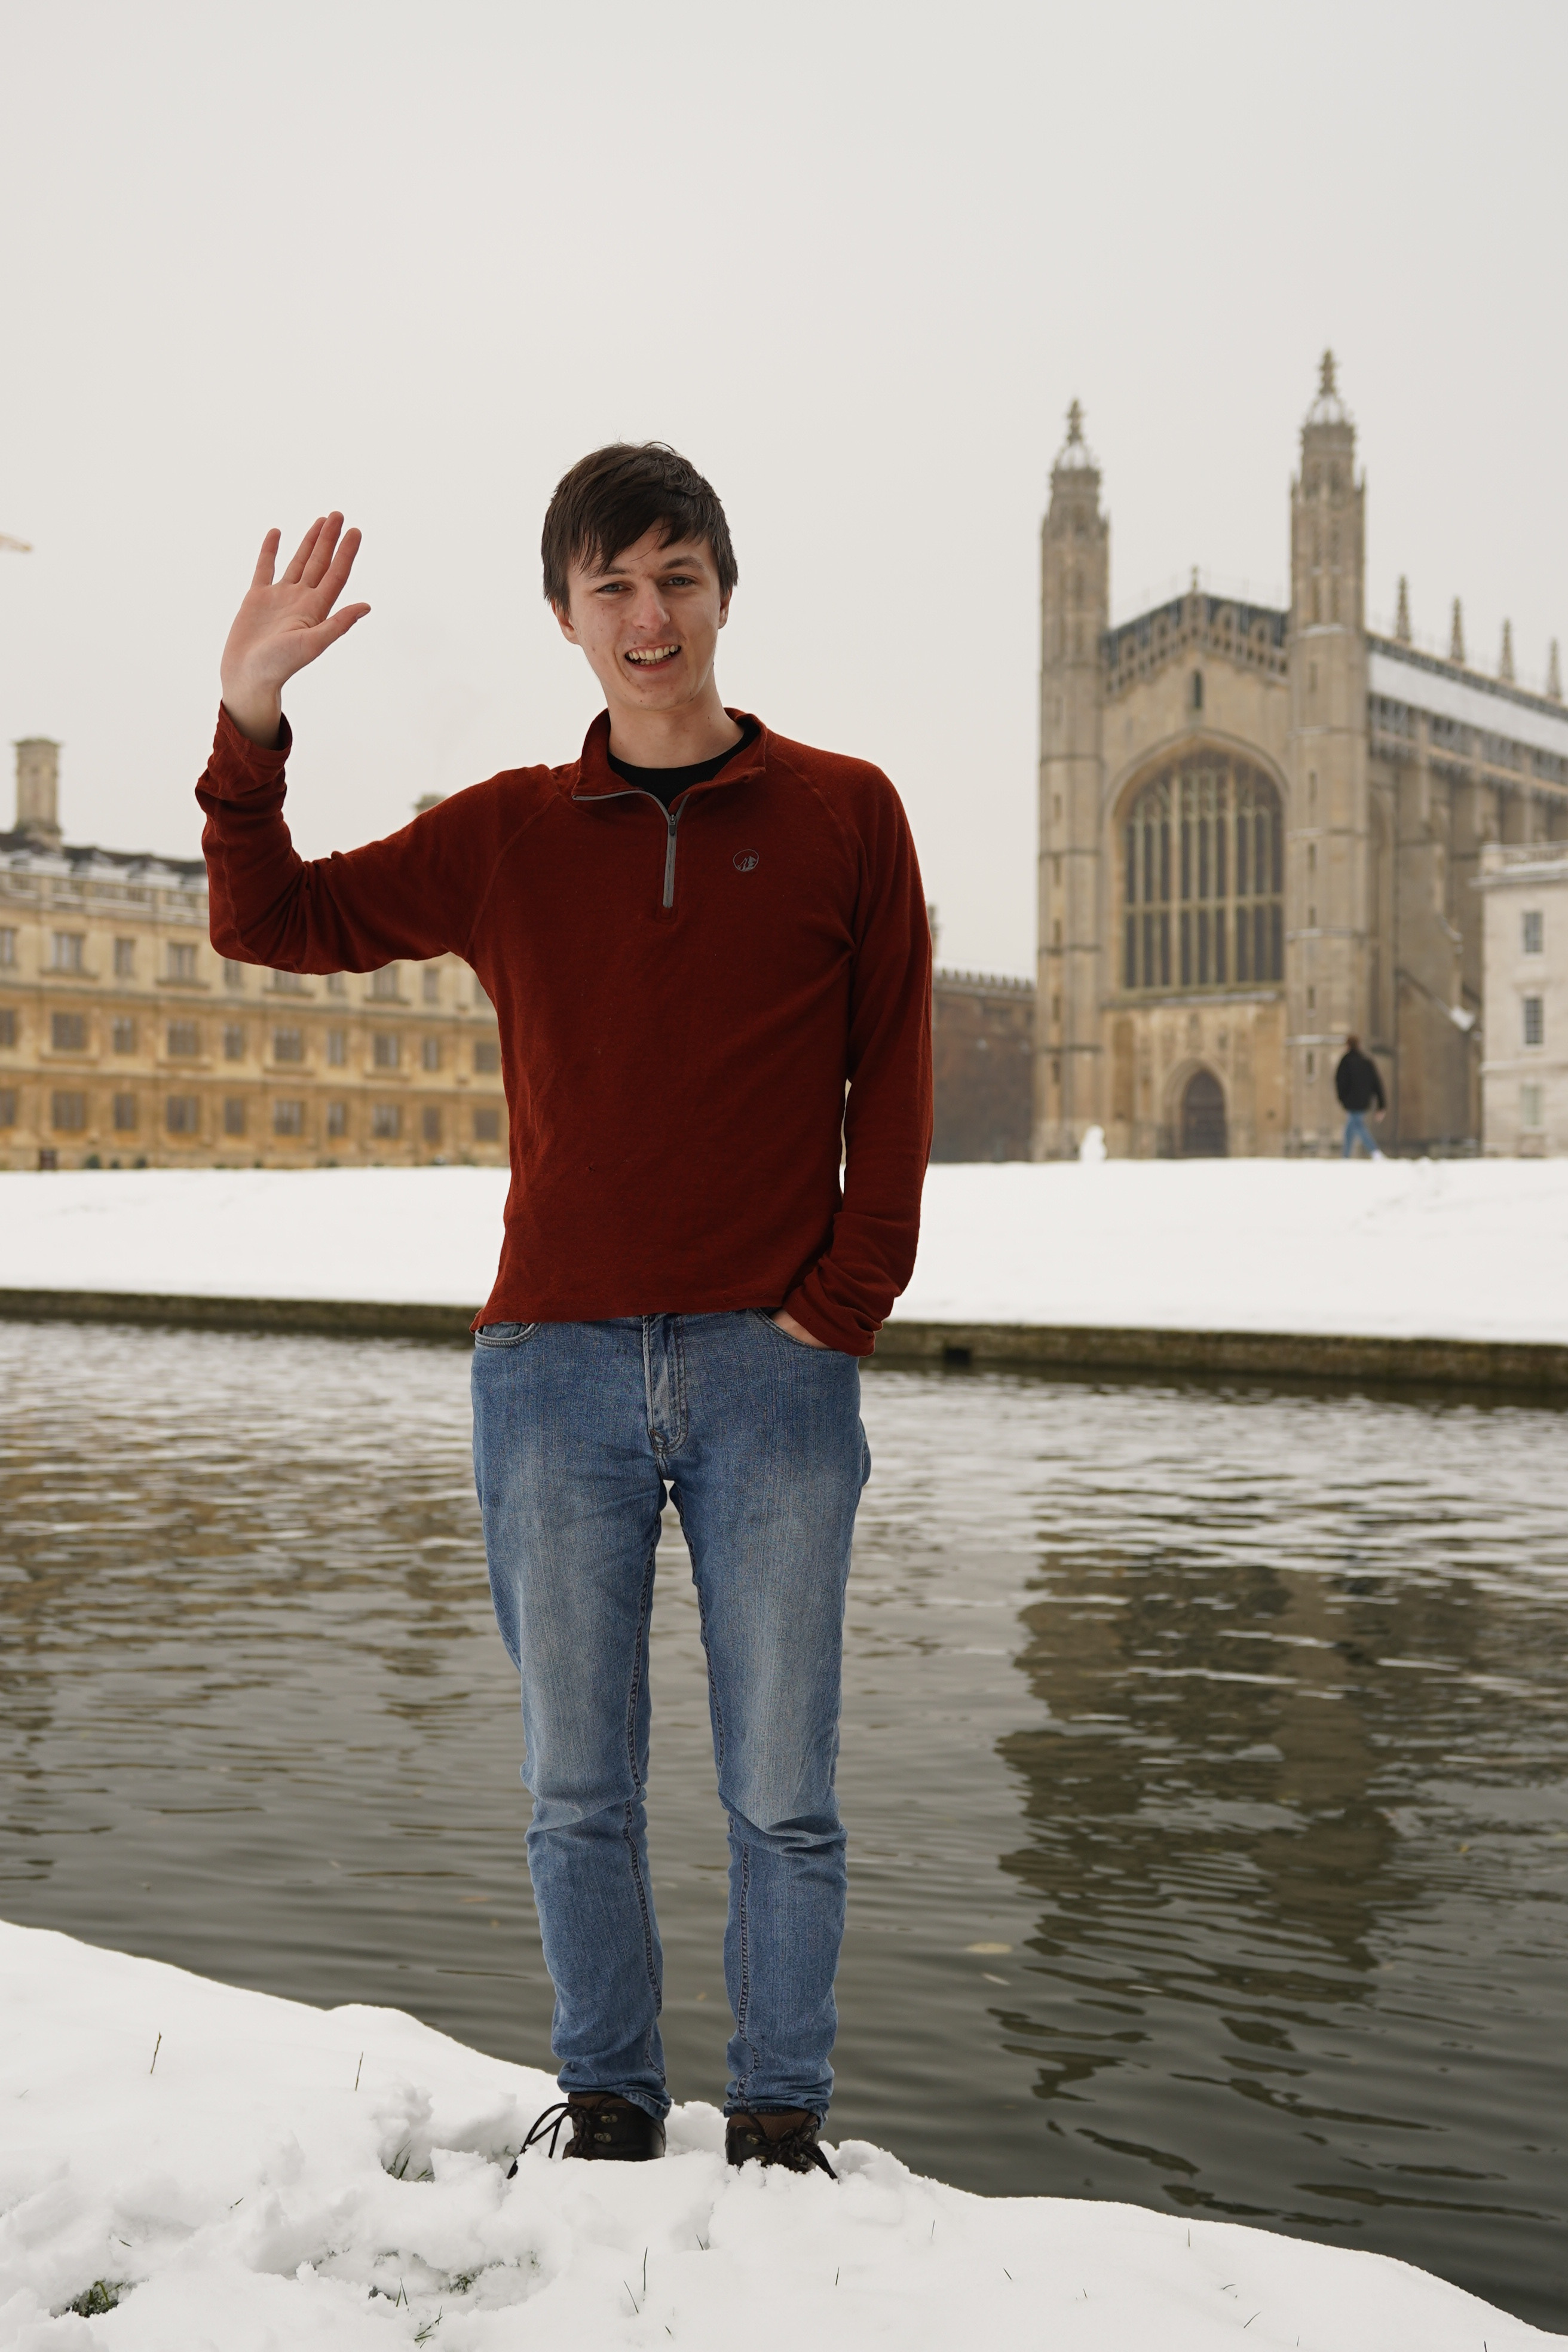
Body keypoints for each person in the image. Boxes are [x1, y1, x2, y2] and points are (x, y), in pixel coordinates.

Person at [197, 444, 932, 2178]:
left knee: (784, 1793)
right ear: (565, 618)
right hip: (553, 1368)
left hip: (776, 1366)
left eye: (676, 578)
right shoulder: (510, 833)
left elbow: (888, 1068)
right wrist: (249, 718)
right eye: (612, 587)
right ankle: (607, 2106)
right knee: (576, 1790)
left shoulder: (846, 810)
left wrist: (849, 1300)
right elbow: (264, 918)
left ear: (723, 594)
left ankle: (778, 2123)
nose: (648, 616)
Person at [1334, 1033, 1386, 1159]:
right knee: (1351, 1127)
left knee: (1357, 1126)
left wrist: (1342, 1098)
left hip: (1351, 1101)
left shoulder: (1346, 1061)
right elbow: (1377, 1084)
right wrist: (1381, 1105)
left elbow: (1339, 1081)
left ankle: (1374, 1151)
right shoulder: (1366, 1062)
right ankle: (1346, 1156)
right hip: (1363, 1101)